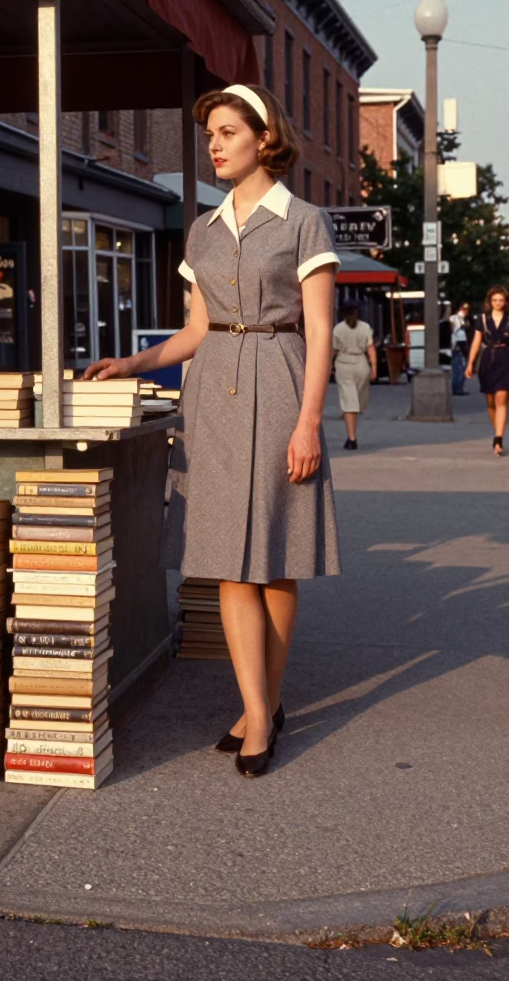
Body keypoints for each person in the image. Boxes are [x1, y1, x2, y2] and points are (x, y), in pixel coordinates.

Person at [83, 83, 340, 778]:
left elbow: (320, 332)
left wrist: (311, 420)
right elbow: (197, 329)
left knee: (277, 557)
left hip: (284, 381)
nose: (216, 145)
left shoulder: (303, 221)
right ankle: (258, 709)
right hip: (217, 397)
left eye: (228, 132)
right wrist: (132, 362)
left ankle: (263, 708)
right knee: (227, 558)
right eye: (210, 136)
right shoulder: (201, 229)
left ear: (264, 138)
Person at [465, 285, 509, 455]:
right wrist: (470, 363)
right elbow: (476, 342)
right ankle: (496, 432)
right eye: (495, 300)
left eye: (501, 300)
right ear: (490, 302)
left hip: (505, 359)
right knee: (490, 401)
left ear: (505, 302)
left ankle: (498, 439)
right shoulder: (482, 319)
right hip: (487, 360)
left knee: (501, 398)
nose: (498, 303)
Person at [332, 300, 377, 449]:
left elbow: (333, 350)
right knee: (356, 401)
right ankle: (351, 436)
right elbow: (370, 348)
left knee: (348, 402)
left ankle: (351, 438)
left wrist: (327, 366)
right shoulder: (365, 327)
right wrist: (374, 366)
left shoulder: (338, 329)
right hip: (361, 363)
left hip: (344, 363)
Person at [449, 302, 470, 396]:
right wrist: (464, 323)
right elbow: (458, 326)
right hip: (457, 345)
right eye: (463, 310)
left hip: (461, 345)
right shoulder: (454, 318)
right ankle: (457, 388)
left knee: (461, 367)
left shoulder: (461, 318)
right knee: (458, 368)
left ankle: (459, 388)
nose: (465, 312)